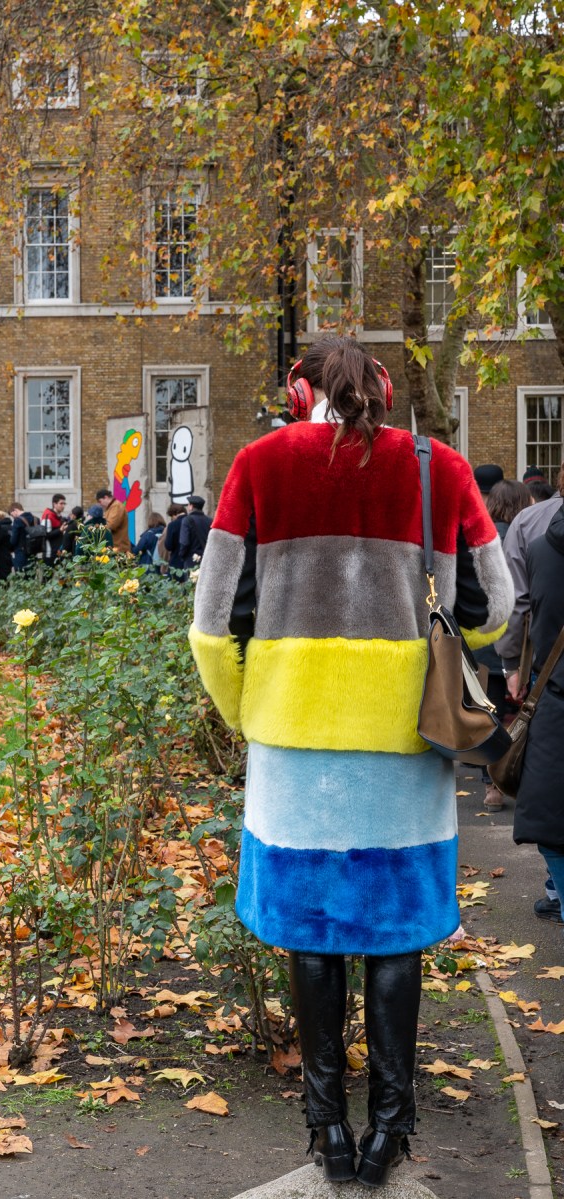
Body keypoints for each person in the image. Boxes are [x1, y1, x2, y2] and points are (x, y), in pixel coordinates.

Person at [189, 335, 514, 1188]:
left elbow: (211, 624)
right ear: (382, 390)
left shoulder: (258, 465)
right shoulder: (438, 466)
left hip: (294, 746)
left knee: (313, 929)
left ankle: (326, 1127)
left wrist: (250, 707)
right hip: (405, 741)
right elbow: (495, 606)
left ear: (299, 394)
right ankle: (390, 1131)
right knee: (396, 930)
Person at [498, 463, 564, 922]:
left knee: (551, 815)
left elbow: (519, 604)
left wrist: (512, 666)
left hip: (555, 686)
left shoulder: (537, 538)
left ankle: (558, 891)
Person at [476, 479, 534, 810]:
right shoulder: (527, 536)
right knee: (526, 712)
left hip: (485, 635)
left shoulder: (479, 538)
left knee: (488, 712)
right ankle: (517, 773)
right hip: (519, 641)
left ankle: (491, 785)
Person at [179, 495, 211, 568]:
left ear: (191, 506)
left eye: (188, 505)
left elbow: (184, 542)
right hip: (206, 559)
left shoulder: (186, 520)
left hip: (191, 560)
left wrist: (182, 555)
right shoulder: (210, 520)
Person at [96, 488, 131, 553]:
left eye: (100, 501)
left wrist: (97, 528)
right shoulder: (111, 507)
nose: (100, 504)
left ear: (106, 497)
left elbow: (111, 525)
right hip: (115, 547)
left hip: (119, 548)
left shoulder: (116, 506)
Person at [41, 493, 69, 564]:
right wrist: (60, 530)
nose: (63, 506)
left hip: (58, 552)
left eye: (64, 504)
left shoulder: (59, 516)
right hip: (50, 553)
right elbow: (45, 535)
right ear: (54, 504)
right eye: (61, 503)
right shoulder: (48, 516)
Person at [163, 502, 187, 576]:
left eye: (171, 516)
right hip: (191, 561)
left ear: (174, 514)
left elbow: (168, 546)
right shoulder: (193, 521)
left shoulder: (172, 525)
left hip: (176, 562)